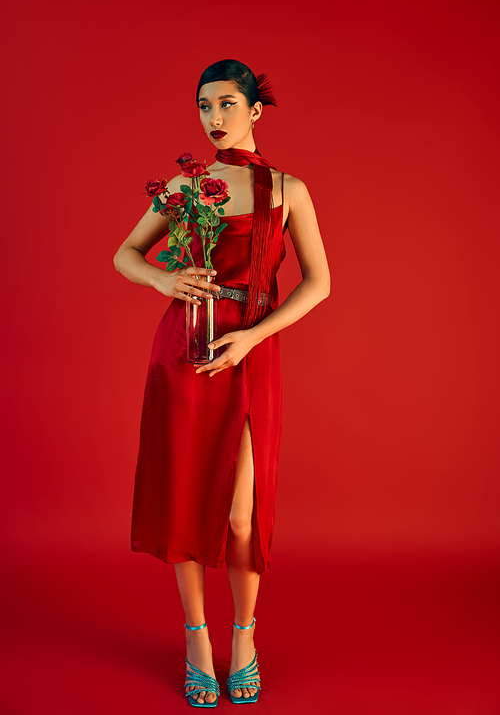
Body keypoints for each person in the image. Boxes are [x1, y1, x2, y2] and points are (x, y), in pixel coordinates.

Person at [113, 59, 330, 707]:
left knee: (239, 517)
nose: (214, 118)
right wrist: (161, 279)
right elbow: (125, 253)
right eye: (205, 106)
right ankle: (196, 639)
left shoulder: (289, 189)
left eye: (227, 104)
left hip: (249, 350)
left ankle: (245, 635)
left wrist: (252, 338)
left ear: (256, 110)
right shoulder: (186, 188)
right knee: (184, 504)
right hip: (184, 348)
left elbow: (319, 284)